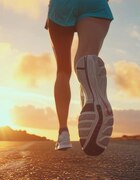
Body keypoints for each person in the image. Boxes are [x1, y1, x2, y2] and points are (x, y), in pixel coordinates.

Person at [46, 0, 114, 156]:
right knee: (86, 59)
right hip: (95, 5)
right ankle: (93, 92)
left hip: (61, 6)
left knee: (63, 70)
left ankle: (63, 133)